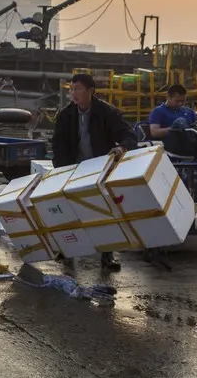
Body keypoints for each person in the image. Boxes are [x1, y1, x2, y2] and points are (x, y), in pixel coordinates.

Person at [51, 73, 138, 271]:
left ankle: (107, 256)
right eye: (71, 89)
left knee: (105, 213)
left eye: (78, 89)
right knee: (70, 212)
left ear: (91, 91)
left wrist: (121, 147)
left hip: (100, 170)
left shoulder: (107, 112)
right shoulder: (65, 115)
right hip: (74, 169)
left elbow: (128, 134)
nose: (74, 94)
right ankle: (67, 251)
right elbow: (57, 145)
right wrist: (61, 170)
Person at [149, 84, 197, 156]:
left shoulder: (188, 111)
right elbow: (154, 132)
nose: (180, 104)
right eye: (177, 101)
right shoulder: (158, 111)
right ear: (169, 97)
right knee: (180, 122)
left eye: (183, 101)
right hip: (175, 143)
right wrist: (175, 129)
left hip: (195, 137)